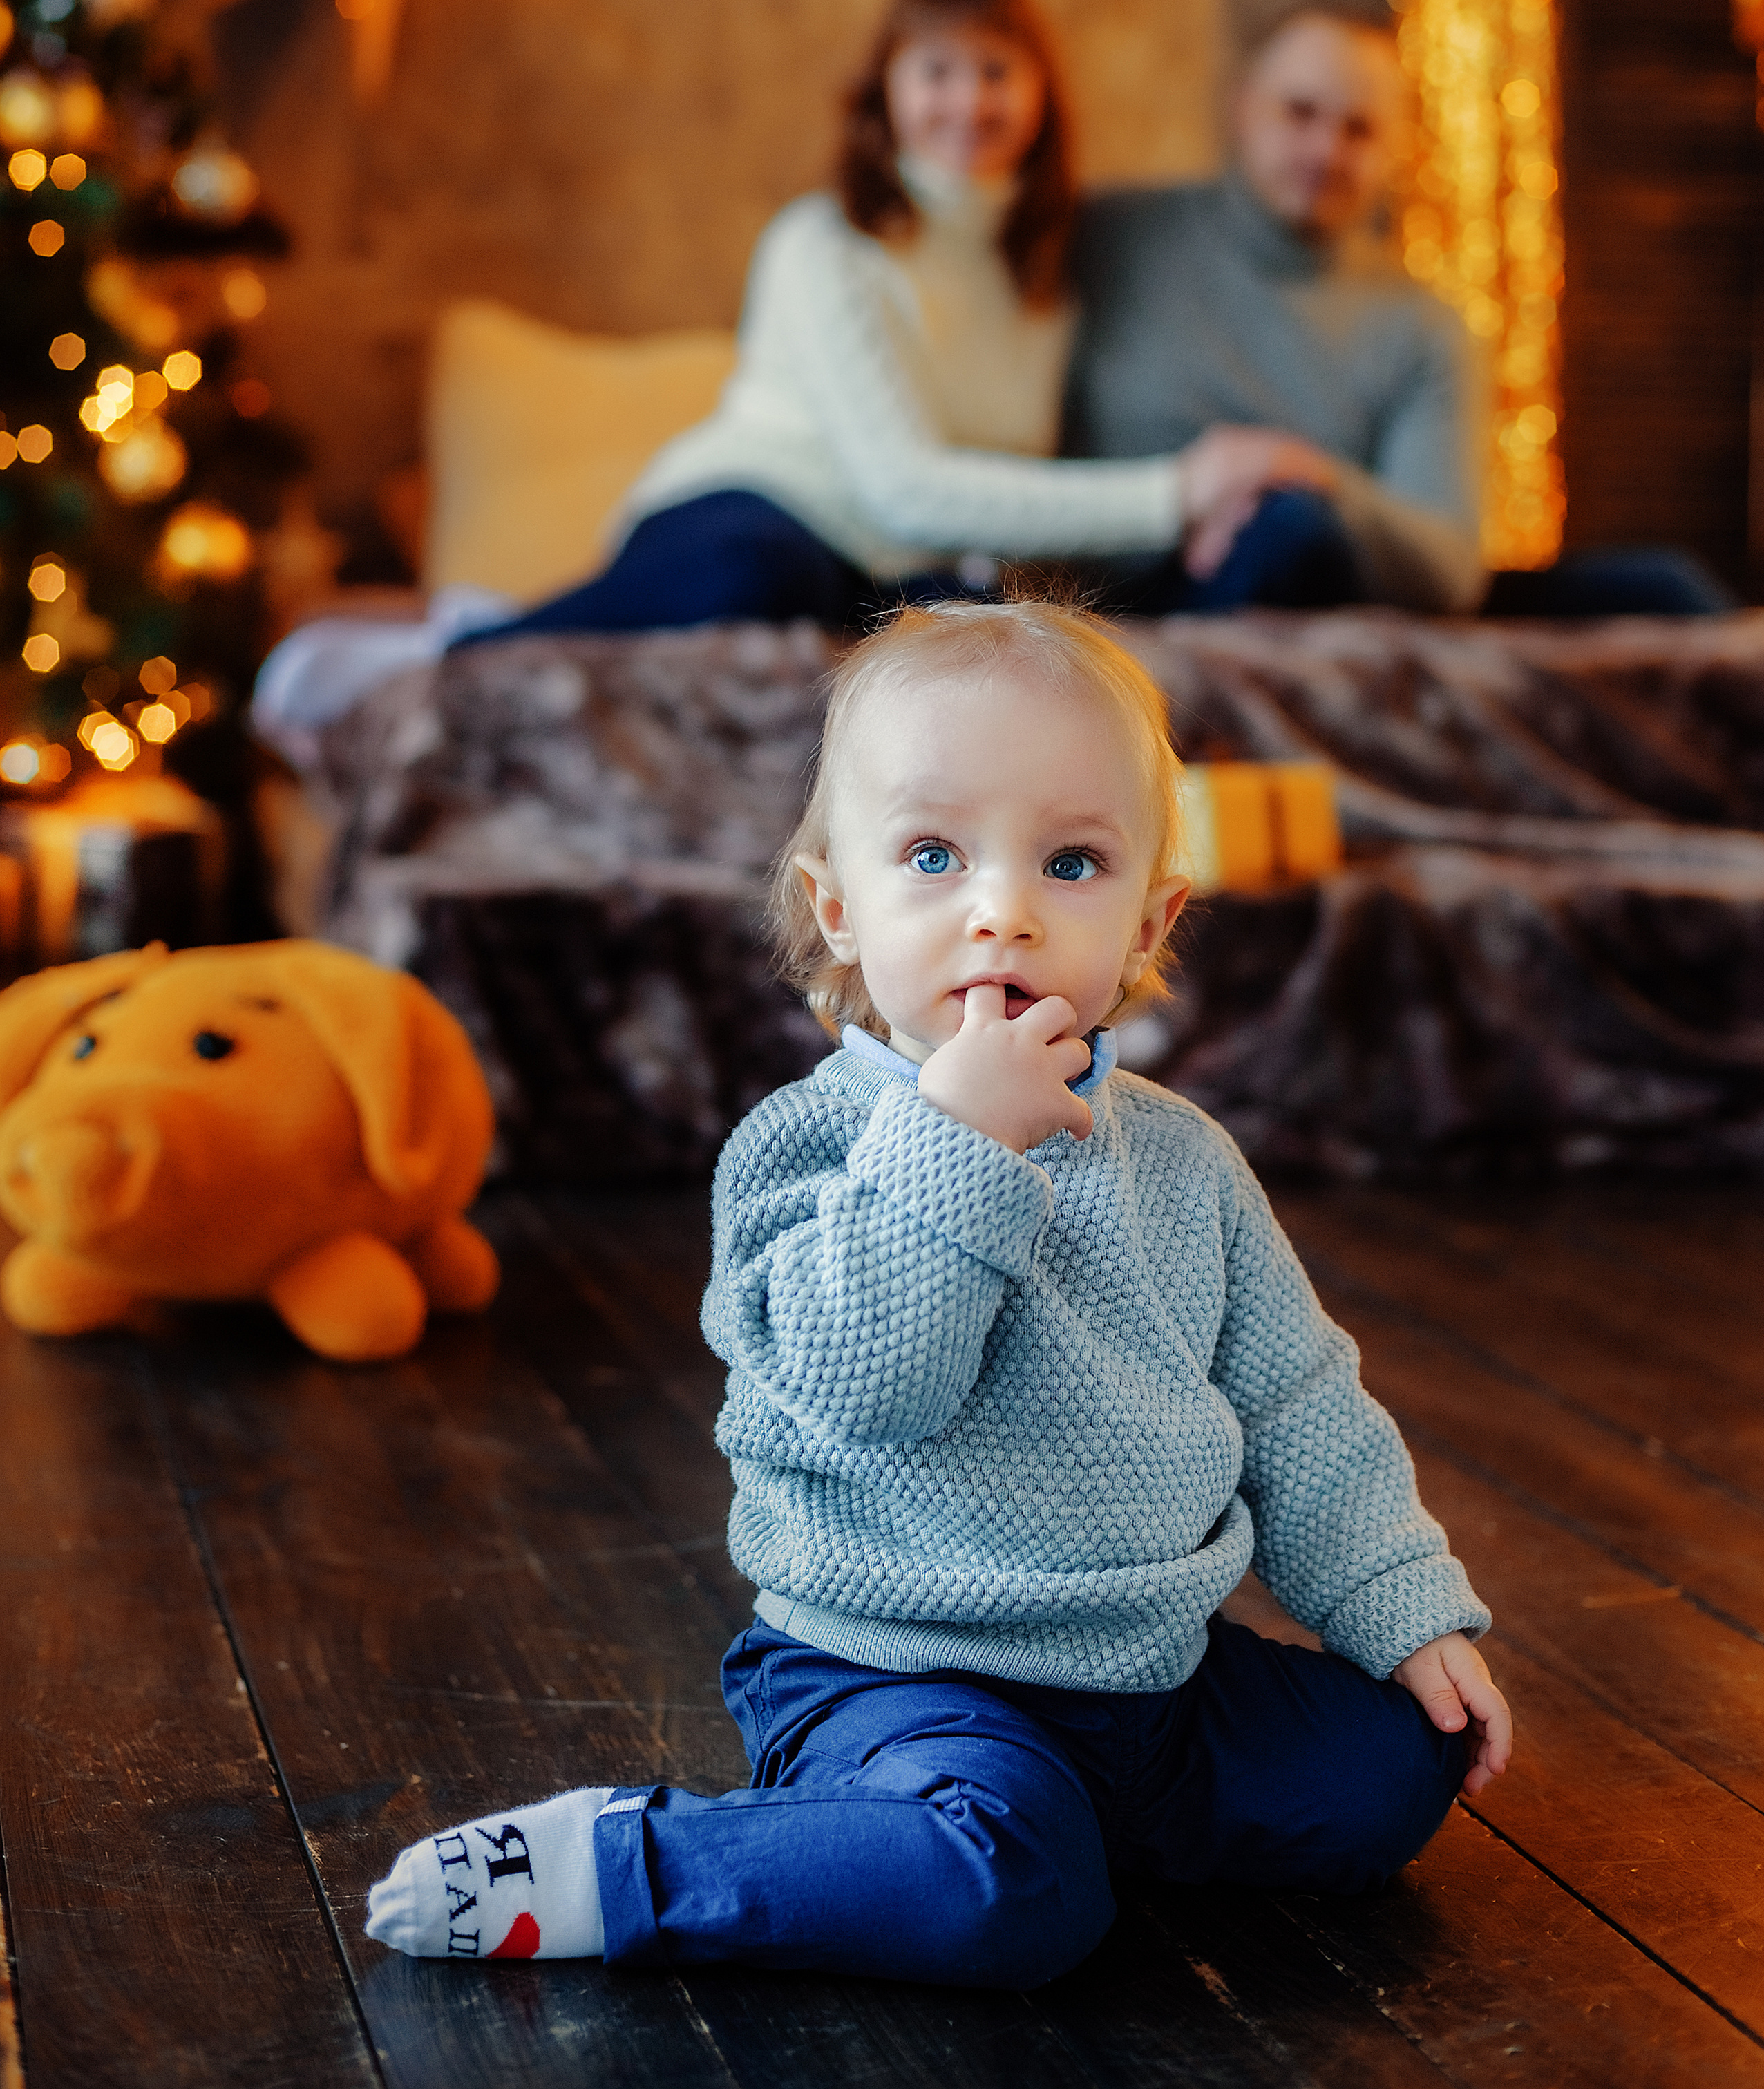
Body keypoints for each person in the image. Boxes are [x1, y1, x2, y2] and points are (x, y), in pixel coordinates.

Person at [365, 598, 1510, 1987]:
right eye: (931, 854)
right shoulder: (806, 1149)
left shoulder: (1182, 1160)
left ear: (1150, 921)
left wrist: (1402, 1608)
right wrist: (956, 1144)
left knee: (1392, 1770)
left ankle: (1026, 1827)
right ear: (836, 909)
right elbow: (865, 1386)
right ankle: (637, 1867)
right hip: (897, 1675)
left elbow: (1294, 1402)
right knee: (1002, 1899)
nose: (1002, 911)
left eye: (1071, 862)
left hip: (1147, 1675)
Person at [470, 0, 1190, 643]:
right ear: (888, 89)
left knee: (1001, 626)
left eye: (996, 71)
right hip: (752, 511)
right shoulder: (823, 243)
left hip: (884, 572)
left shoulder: (1044, 276)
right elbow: (904, 491)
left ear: (1041, 94)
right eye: (937, 71)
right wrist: (1176, 494)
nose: (969, 101)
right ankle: (476, 640)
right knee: (764, 574)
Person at [1064, 6, 1734, 618]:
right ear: (1242, 108)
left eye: (1358, 130)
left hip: (1335, 590)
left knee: (1668, 588)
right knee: (1285, 532)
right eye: (1299, 113)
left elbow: (1447, 574)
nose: (1326, 151)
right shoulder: (1103, 240)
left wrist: (1300, 469)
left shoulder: (1421, 325)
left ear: (1396, 151)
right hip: (1141, 592)